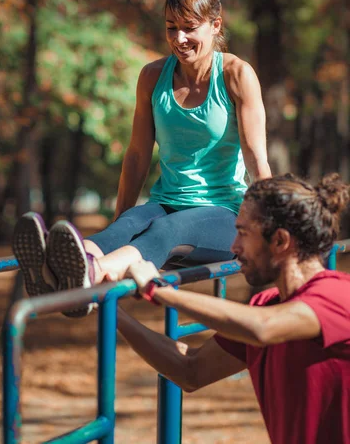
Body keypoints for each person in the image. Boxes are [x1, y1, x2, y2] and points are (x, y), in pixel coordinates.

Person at [12, 0, 271, 316]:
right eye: (171, 28)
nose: (179, 39)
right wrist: (120, 223)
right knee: (129, 223)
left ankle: (89, 279)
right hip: (166, 202)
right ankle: (56, 273)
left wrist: (268, 225)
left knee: (168, 229)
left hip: (222, 212)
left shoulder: (236, 75)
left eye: (190, 28)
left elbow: (255, 158)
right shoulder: (152, 77)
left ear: (215, 25)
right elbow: (136, 155)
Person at [120, 173, 350, 444]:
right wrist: (111, 313)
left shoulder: (338, 297)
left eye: (242, 233)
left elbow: (263, 328)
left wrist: (158, 290)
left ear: (280, 241)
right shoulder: (265, 306)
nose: (233, 247)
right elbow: (190, 369)